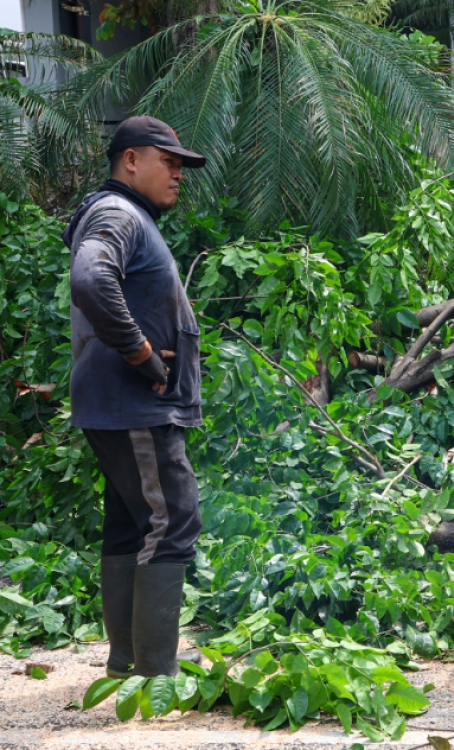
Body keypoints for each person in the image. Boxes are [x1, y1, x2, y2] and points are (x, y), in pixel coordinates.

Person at [64, 116, 208, 679]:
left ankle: (129, 663)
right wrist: (142, 354)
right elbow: (91, 280)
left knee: (132, 522)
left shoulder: (125, 215)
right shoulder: (117, 213)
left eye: (180, 166)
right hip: (134, 405)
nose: (178, 174)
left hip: (120, 407)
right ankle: (155, 672)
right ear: (130, 161)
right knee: (172, 519)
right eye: (167, 161)